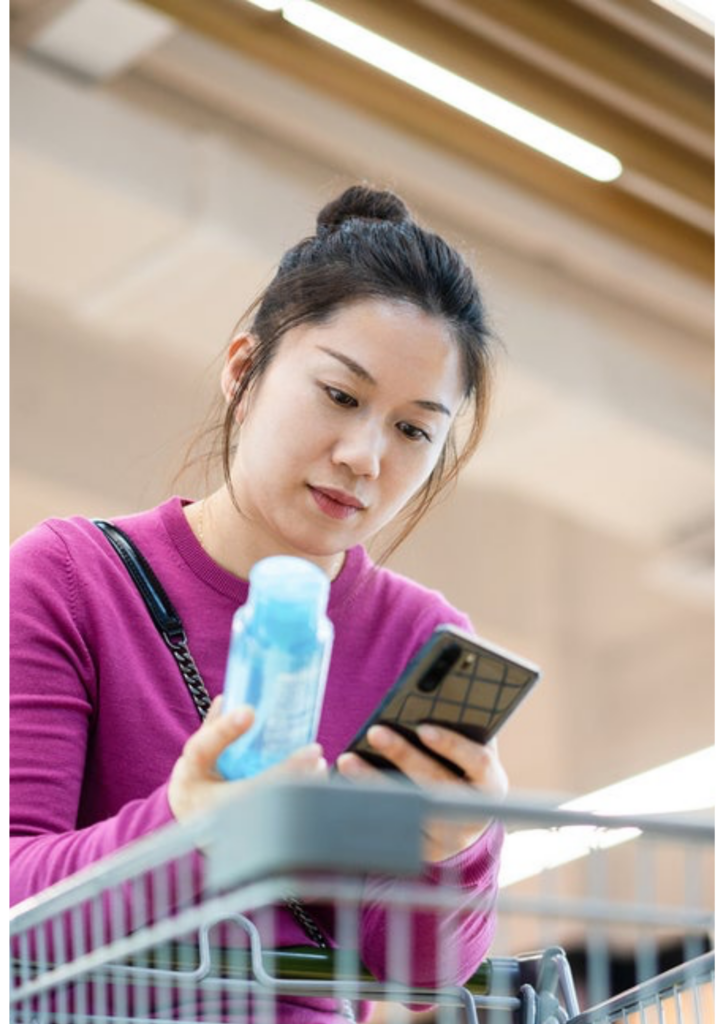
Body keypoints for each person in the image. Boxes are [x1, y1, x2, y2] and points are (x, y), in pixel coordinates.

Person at [9, 185, 508, 1020]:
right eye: (341, 397)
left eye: (414, 430)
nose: (363, 456)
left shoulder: (421, 641)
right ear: (244, 370)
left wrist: (454, 849)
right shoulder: (71, 580)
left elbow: (416, 977)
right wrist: (181, 824)